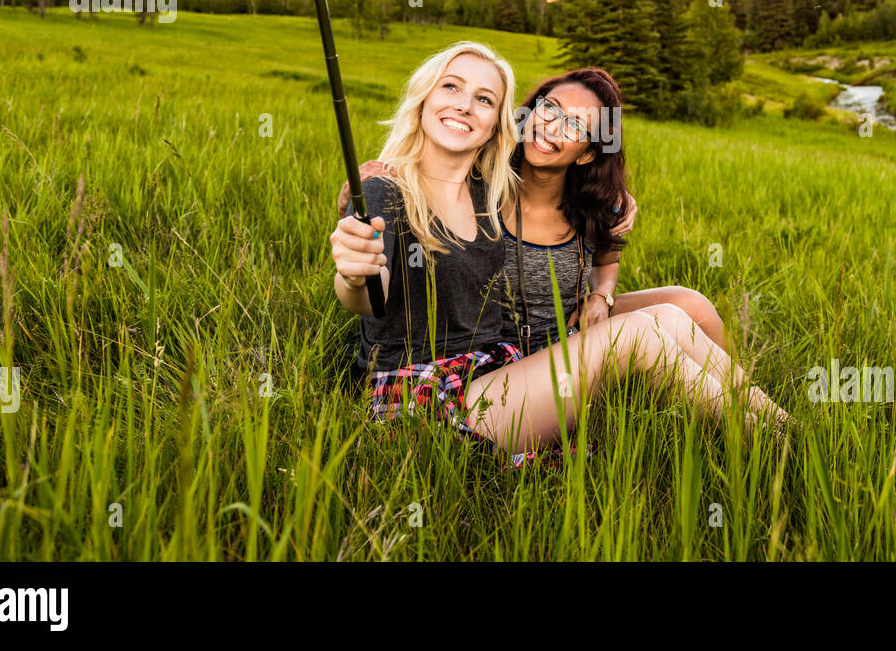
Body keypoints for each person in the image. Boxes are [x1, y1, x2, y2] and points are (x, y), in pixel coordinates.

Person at [330, 43, 790, 455]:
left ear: (495, 124)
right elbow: (369, 293)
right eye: (450, 86)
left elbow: (587, 225)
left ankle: (781, 427)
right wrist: (354, 267)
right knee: (641, 334)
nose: (465, 105)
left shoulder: (485, 190)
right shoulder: (397, 189)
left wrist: (615, 211)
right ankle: (778, 447)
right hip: (425, 394)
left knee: (671, 315)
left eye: (484, 100)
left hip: (492, 366)